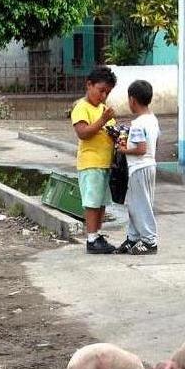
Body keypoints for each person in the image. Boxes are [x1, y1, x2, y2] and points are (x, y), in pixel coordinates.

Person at [71, 66, 117, 254]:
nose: (103, 95)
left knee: (101, 201)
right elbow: (83, 133)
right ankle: (91, 238)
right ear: (89, 85)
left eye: (107, 92)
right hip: (90, 163)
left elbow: (110, 130)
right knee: (92, 202)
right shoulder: (81, 107)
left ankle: (98, 234)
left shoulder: (104, 109)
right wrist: (102, 121)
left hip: (105, 163)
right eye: (101, 90)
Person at [114, 80, 160, 255]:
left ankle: (149, 240)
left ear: (132, 100)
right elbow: (155, 142)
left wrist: (123, 149)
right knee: (136, 204)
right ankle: (133, 238)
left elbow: (141, 149)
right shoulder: (152, 120)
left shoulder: (138, 124)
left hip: (139, 168)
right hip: (149, 165)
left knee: (140, 206)